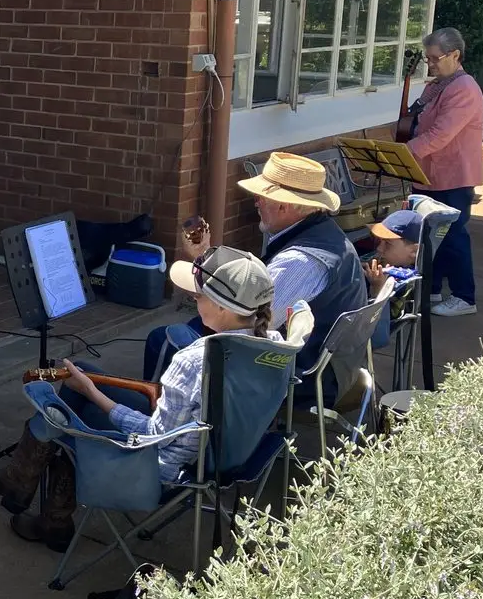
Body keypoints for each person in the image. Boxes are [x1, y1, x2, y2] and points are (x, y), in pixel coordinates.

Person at [0, 247, 282, 550]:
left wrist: (93, 393)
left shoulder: (194, 361)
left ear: (222, 308)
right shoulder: (273, 348)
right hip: (224, 453)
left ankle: (28, 492)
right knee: (83, 372)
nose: (193, 297)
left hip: (165, 464)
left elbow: (155, 436)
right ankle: (39, 506)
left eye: (198, 295)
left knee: (64, 415)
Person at [142, 152, 366, 408]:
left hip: (299, 379)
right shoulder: (326, 235)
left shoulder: (300, 262)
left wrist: (202, 292)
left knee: (165, 339)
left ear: (284, 205)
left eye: (262, 196)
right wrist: (204, 256)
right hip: (326, 369)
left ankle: (160, 424)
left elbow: (247, 324)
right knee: (191, 328)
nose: (256, 202)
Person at [405, 27, 483, 317]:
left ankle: (464, 297)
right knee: (429, 235)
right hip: (429, 173)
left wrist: (405, 152)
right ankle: (432, 288)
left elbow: (440, 135)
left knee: (452, 236)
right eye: (427, 58)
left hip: (453, 175)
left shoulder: (464, 89)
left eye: (434, 58)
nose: (430, 64)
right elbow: (418, 121)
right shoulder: (437, 85)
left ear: (455, 55)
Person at [364, 210, 422, 350]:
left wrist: (378, 288)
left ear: (414, 251)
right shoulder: (387, 261)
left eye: (387, 244)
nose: (379, 248)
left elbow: (383, 327)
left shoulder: (407, 281)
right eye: (379, 241)